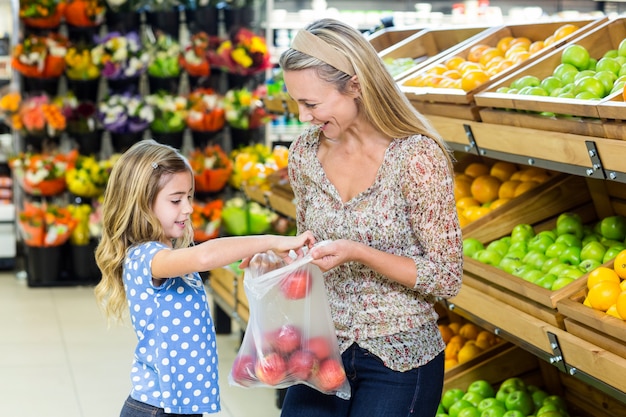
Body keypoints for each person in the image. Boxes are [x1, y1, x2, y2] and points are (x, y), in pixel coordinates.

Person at [278, 18, 464, 417]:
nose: (302, 116)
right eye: (295, 102)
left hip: (400, 359)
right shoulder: (304, 154)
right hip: (320, 351)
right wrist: (283, 263)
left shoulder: (416, 158)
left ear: (356, 86)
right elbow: (307, 246)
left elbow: (447, 276)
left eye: (311, 103)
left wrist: (357, 252)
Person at [94, 139, 316, 417]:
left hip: (179, 407)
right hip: (155, 409)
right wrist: (269, 241)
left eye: (189, 196)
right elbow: (205, 256)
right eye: (175, 200)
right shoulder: (145, 257)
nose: (187, 208)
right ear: (141, 205)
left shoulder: (169, 255)